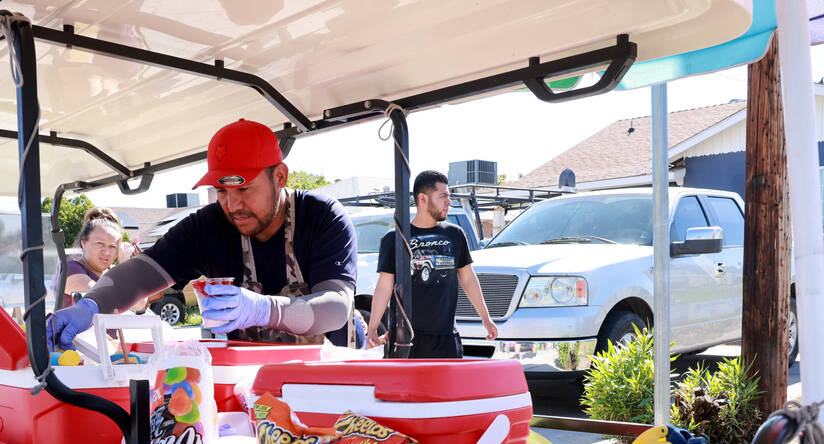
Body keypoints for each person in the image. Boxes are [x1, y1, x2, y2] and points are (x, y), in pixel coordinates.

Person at [47, 118, 359, 349]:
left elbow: (336, 308)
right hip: (249, 384)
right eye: (221, 191)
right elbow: (141, 273)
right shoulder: (209, 225)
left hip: (324, 384)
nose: (233, 205)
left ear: (279, 176)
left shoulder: (322, 217)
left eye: (244, 189)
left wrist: (263, 309)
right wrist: (89, 306)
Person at [366, 170, 497, 358]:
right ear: (423, 199)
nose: (449, 202)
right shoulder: (394, 239)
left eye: (449, 196)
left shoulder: (455, 234)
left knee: (448, 388)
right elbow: (384, 286)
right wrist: (372, 328)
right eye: (443, 196)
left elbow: (468, 279)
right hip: (404, 339)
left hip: (446, 339)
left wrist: (486, 318)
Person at [56, 207, 141, 308]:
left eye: (113, 246)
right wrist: (124, 268)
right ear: (84, 243)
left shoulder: (114, 271)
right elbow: (103, 298)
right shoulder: (70, 268)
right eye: (100, 244)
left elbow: (140, 303)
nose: (106, 252)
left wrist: (126, 265)